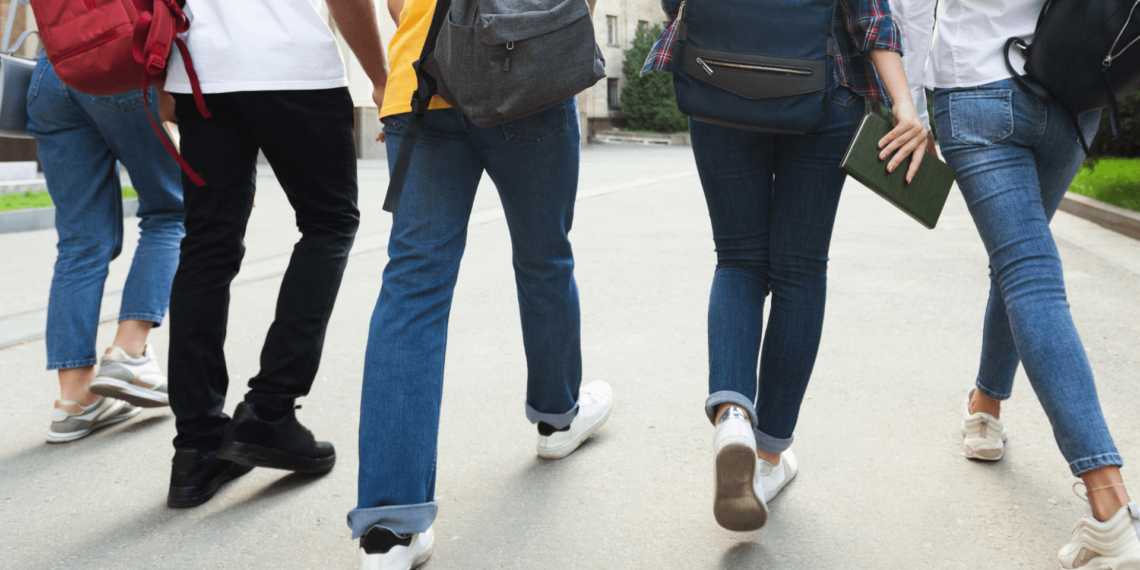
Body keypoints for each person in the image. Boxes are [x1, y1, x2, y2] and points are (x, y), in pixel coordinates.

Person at [645, 0, 930, 532]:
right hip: (823, 89)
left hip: (718, 78)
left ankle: (733, 415)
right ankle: (768, 456)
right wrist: (904, 104)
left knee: (737, 261)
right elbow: (871, 18)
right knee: (800, 272)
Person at [348, 0, 613, 566]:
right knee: (545, 258)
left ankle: (390, 528)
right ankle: (556, 417)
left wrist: (384, 71)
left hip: (420, 81)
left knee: (413, 287)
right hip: (528, 72)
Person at [892, 0, 1140, 566]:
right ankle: (986, 408)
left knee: (1028, 274)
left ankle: (1112, 508)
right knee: (1024, 266)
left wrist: (910, 106)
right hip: (1072, 88)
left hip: (976, 87)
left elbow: (906, 8)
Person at [162, 0, 389, 508]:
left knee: (206, 244)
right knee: (329, 223)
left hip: (198, 72)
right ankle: (268, 411)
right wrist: (379, 74)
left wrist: (161, 78)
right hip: (290, 67)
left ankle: (196, 449)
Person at [27, 58, 184, 444]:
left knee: (81, 241)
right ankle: (129, 353)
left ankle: (74, 400)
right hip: (123, 67)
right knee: (171, 211)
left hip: (50, 74)